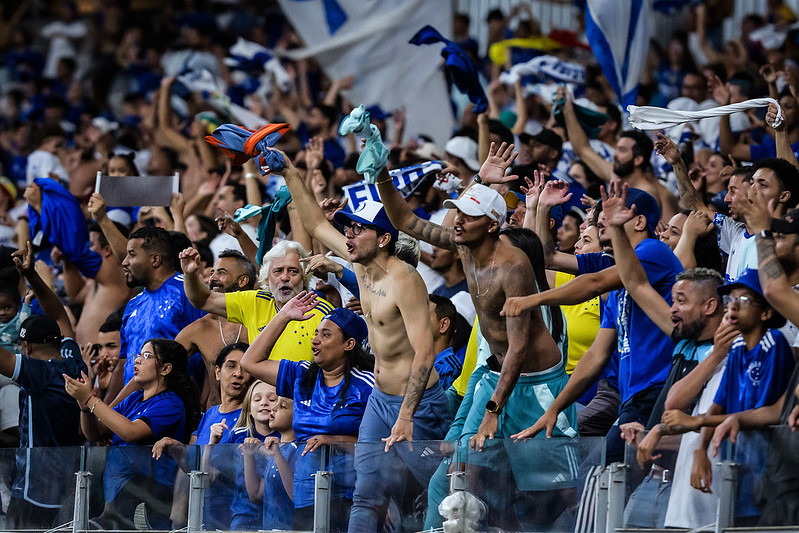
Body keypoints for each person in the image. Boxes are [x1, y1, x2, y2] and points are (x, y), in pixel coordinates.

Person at [277, 150, 447, 533]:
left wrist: (405, 415)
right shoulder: (359, 264)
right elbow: (316, 224)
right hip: (380, 403)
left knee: (428, 497)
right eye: (349, 228)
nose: (349, 234)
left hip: (419, 406)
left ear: (384, 237)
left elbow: (425, 351)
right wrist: (290, 170)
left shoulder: (404, 279)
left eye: (358, 229)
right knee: (366, 494)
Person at [378, 142, 572, 451]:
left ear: (493, 224)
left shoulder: (513, 267)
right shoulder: (465, 247)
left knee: (546, 486)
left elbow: (519, 349)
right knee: (454, 470)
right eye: (457, 213)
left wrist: (492, 412)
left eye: (468, 216)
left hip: (536, 382)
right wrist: (380, 172)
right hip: (494, 372)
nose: (458, 221)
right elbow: (405, 222)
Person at [241, 292, 374, 532]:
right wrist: (283, 317)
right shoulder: (302, 375)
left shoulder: (366, 385)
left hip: (349, 494)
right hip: (303, 494)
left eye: (325, 335)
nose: (315, 340)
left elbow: (380, 445)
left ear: (349, 343)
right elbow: (250, 362)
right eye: (315, 334)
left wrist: (335, 441)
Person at [64, 338, 200, 530]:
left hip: (151, 500)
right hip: (119, 496)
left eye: (146, 356)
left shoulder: (171, 403)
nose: (137, 361)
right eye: (138, 356)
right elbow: (96, 433)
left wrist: (90, 398)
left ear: (166, 369)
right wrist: (85, 407)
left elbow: (130, 432)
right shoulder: (135, 397)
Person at [0, 242, 87, 529]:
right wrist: (33, 277)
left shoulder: (36, 374)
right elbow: (61, 315)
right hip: (70, 479)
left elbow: (59, 316)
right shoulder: (74, 360)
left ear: (25, 346)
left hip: (35, 487)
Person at [180, 240, 336, 364]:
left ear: (305, 277)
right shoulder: (255, 301)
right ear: (267, 279)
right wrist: (190, 274)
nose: (285, 277)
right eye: (278, 271)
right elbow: (203, 300)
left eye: (293, 271)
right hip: (260, 401)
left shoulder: (323, 312)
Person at [151, 342, 252, 530]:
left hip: (227, 516)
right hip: (199, 511)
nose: (238, 373)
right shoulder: (210, 414)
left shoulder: (250, 419)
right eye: (231, 366)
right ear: (217, 372)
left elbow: (214, 475)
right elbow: (193, 466)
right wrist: (177, 449)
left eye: (245, 368)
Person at [104, 226, 206, 403]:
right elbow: (124, 363)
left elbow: (209, 353)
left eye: (132, 254)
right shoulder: (132, 304)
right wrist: (106, 410)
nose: (124, 262)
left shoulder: (187, 291)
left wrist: (206, 404)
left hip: (174, 404)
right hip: (133, 408)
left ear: (155, 259)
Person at [176, 250, 256, 408]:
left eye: (221, 273)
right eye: (212, 272)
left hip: (258, 419)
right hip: (215, 420)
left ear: (243, 280)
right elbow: (161, 366)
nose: (212, 278)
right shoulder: (199, 329)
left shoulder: (264, 319)